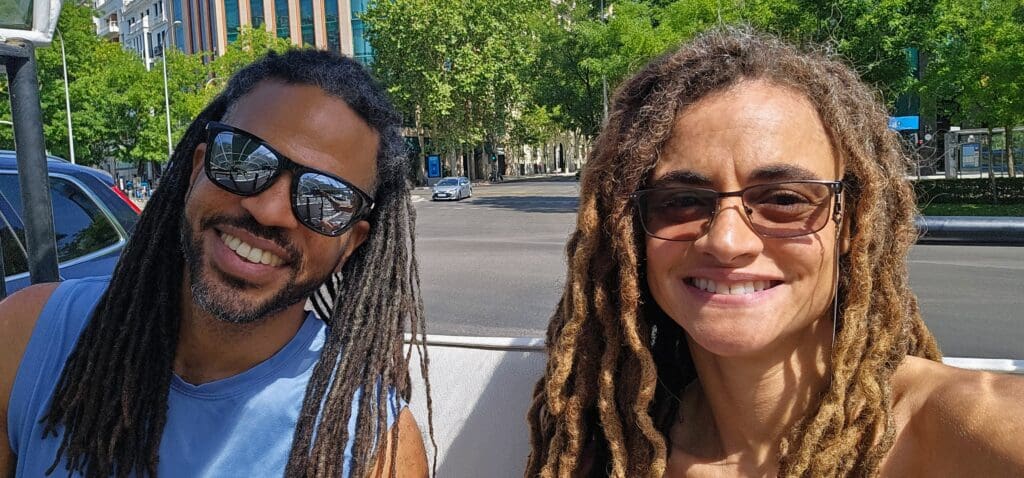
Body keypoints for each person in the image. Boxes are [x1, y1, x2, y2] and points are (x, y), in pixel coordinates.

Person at [526, 27, 1024, 477]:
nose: (726, 241)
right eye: (681, 201)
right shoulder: (610, 448)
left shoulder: (972, 428)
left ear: (849, 221)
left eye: (784, 199)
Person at [0, 50, 430, 477]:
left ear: (350, 245)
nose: (269, 210)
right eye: (244, 159)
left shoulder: (375, 449)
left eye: (324, 199)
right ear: (198, 167)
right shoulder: (26, 336)